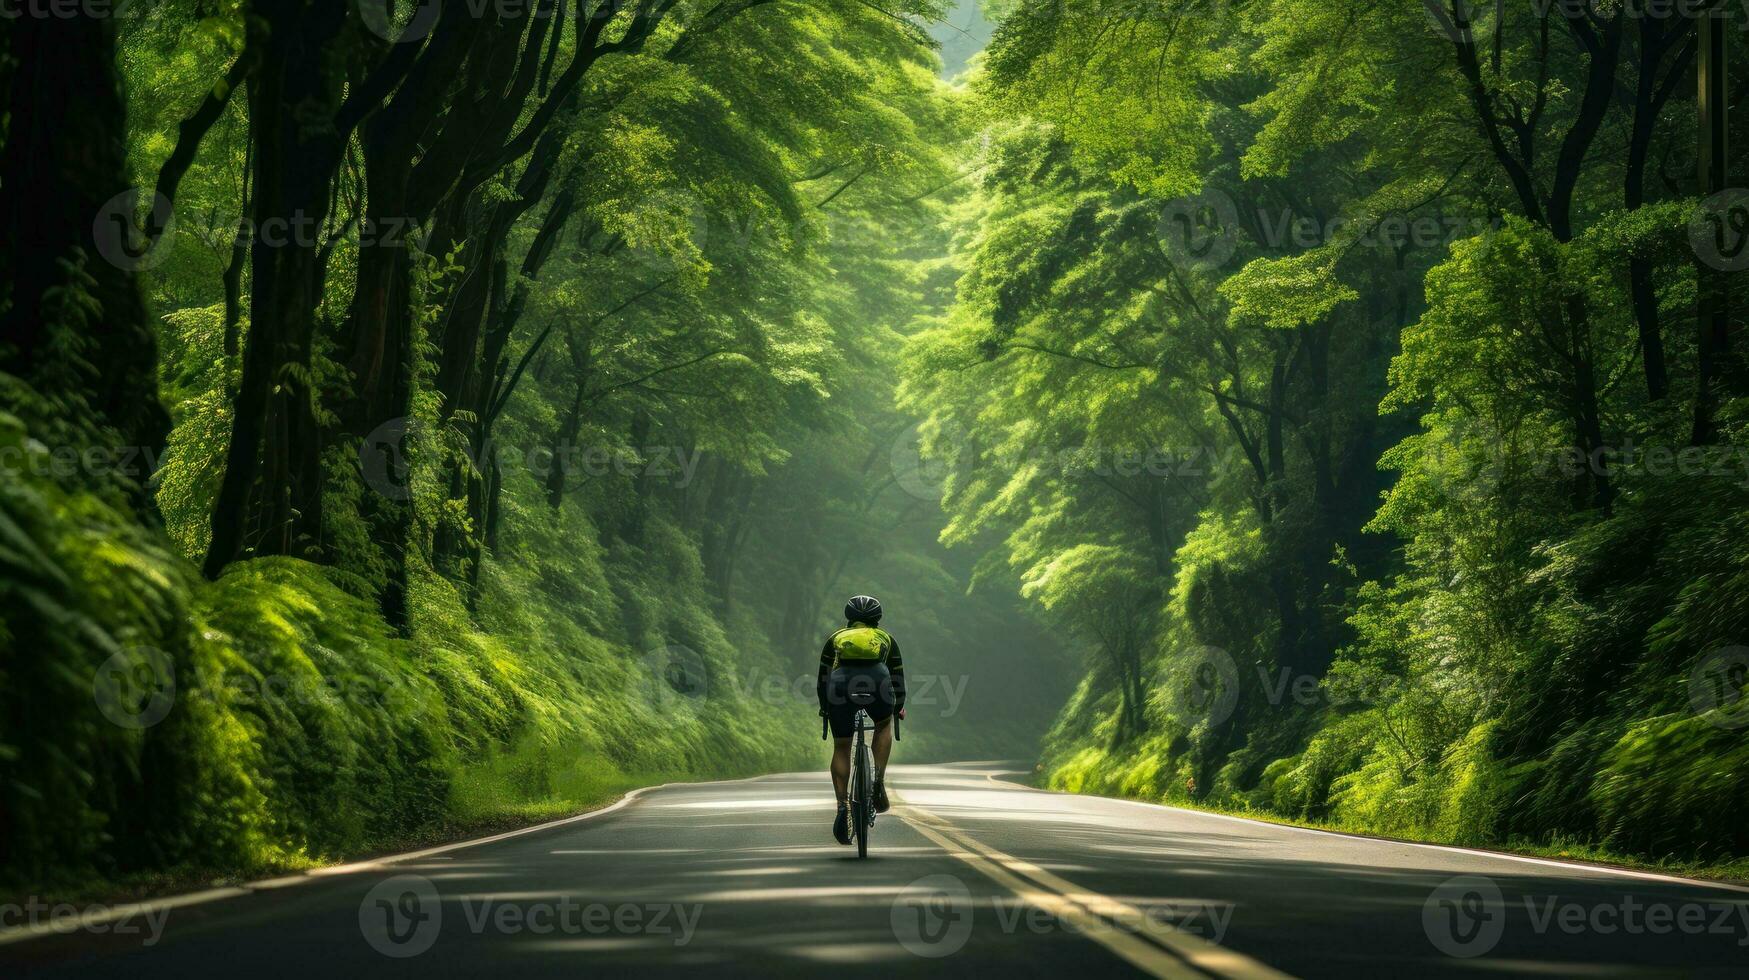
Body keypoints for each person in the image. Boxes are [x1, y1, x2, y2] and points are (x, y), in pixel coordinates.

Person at [818, 594, 905, 845]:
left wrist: (826, 707)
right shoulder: (887, 639)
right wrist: (898, 706)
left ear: (849, 617)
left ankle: (842, 804)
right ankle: (877, 780)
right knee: (882, 724)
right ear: (877, 619)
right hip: (878, 682)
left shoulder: (836, 638)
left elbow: (823, 677)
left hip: (840, 686)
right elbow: (898, 676)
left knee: (842, 745)